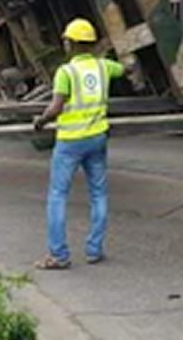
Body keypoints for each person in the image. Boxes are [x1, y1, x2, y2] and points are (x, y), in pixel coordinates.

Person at [32, 18, 125, 270]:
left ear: (70, 44)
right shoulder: (104, 67)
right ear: (92, 44)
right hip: (97, 139)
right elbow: (124, 68)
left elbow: (56, 108)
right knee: (98, 194)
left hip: (70, 142)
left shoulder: (66, 72)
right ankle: (94, 250)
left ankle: (59, 255)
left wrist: (40, 121)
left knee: (57, 196)